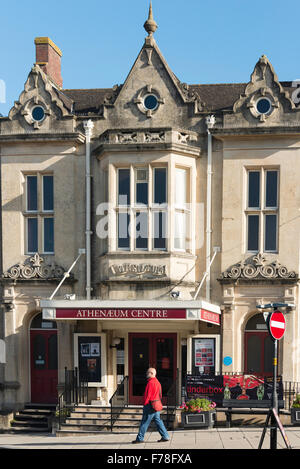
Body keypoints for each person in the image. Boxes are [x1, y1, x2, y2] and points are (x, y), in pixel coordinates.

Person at [132, 367, 170, 444]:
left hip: (150, 405)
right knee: (158, 421)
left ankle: (140, 438)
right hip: (156, 405)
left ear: (152, 374)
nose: (146, 374)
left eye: (148, 372)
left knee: (144, 422)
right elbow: (160, 395)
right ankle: (165, 436)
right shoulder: (158, 382)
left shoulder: (150, 383)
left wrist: (145, 404)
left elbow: (148, 395)